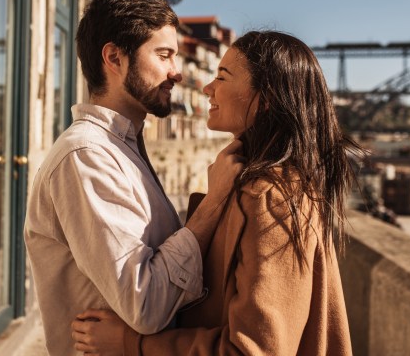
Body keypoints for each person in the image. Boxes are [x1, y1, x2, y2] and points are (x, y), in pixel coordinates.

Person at [72, 30, 361, 355]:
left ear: (265, 99)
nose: (207, 88)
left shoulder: (271, 197)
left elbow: (253, 350)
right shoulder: (264, 186)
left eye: (222, 76)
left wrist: (132, 344)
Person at [24, 0, 242, 356]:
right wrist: (212, 204)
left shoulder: (122, 148)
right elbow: (146, 303)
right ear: (114, 58)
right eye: (163, 55)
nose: (177, 72)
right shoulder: (86, 156)